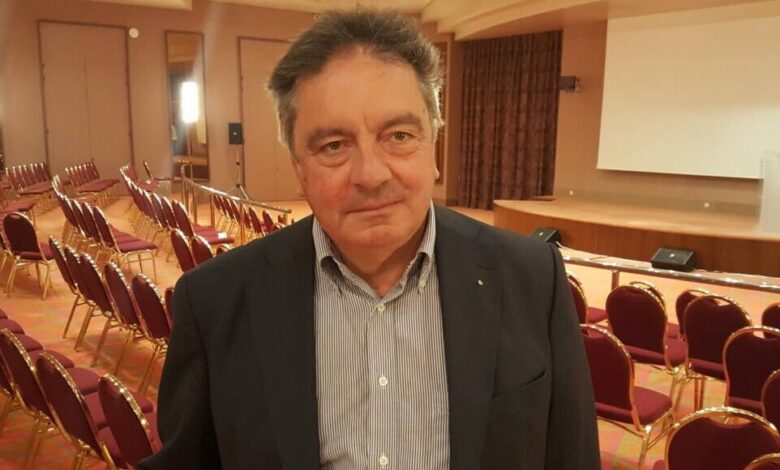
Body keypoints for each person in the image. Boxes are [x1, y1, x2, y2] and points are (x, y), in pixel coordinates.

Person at [140, 9, 600, 470]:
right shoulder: (214, 302)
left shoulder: (534, 278)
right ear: (299, 169)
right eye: (334, 146)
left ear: (433, 148)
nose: (372, 175)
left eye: (398, 135)